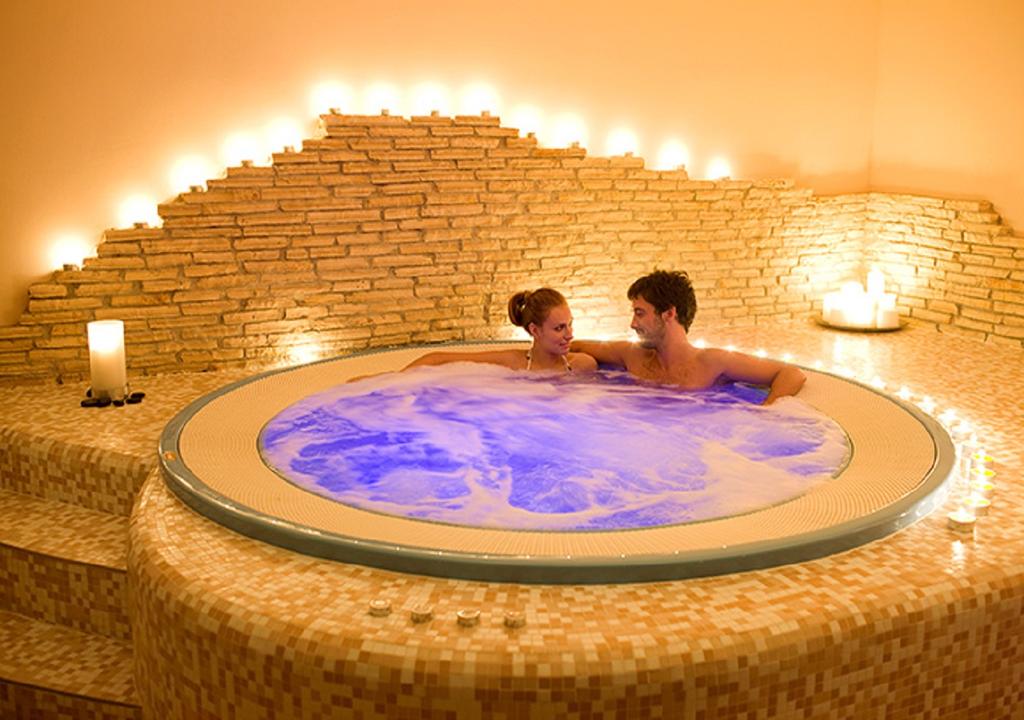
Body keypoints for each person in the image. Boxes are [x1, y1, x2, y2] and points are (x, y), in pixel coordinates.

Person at [571, 270, 805, 404]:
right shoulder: (631, 355)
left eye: (640, 313)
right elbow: (575, 346)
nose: (633, 324)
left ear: (669, 313)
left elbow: (791, 374)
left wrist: (765, 414)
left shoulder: (712, 362)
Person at [405, 288, 598, 374]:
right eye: (559, 328)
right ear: (535, 330)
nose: (569, 334)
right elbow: (438, 359)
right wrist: (395, 382)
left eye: (570, 324)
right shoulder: (514, 363)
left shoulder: (582, 365)